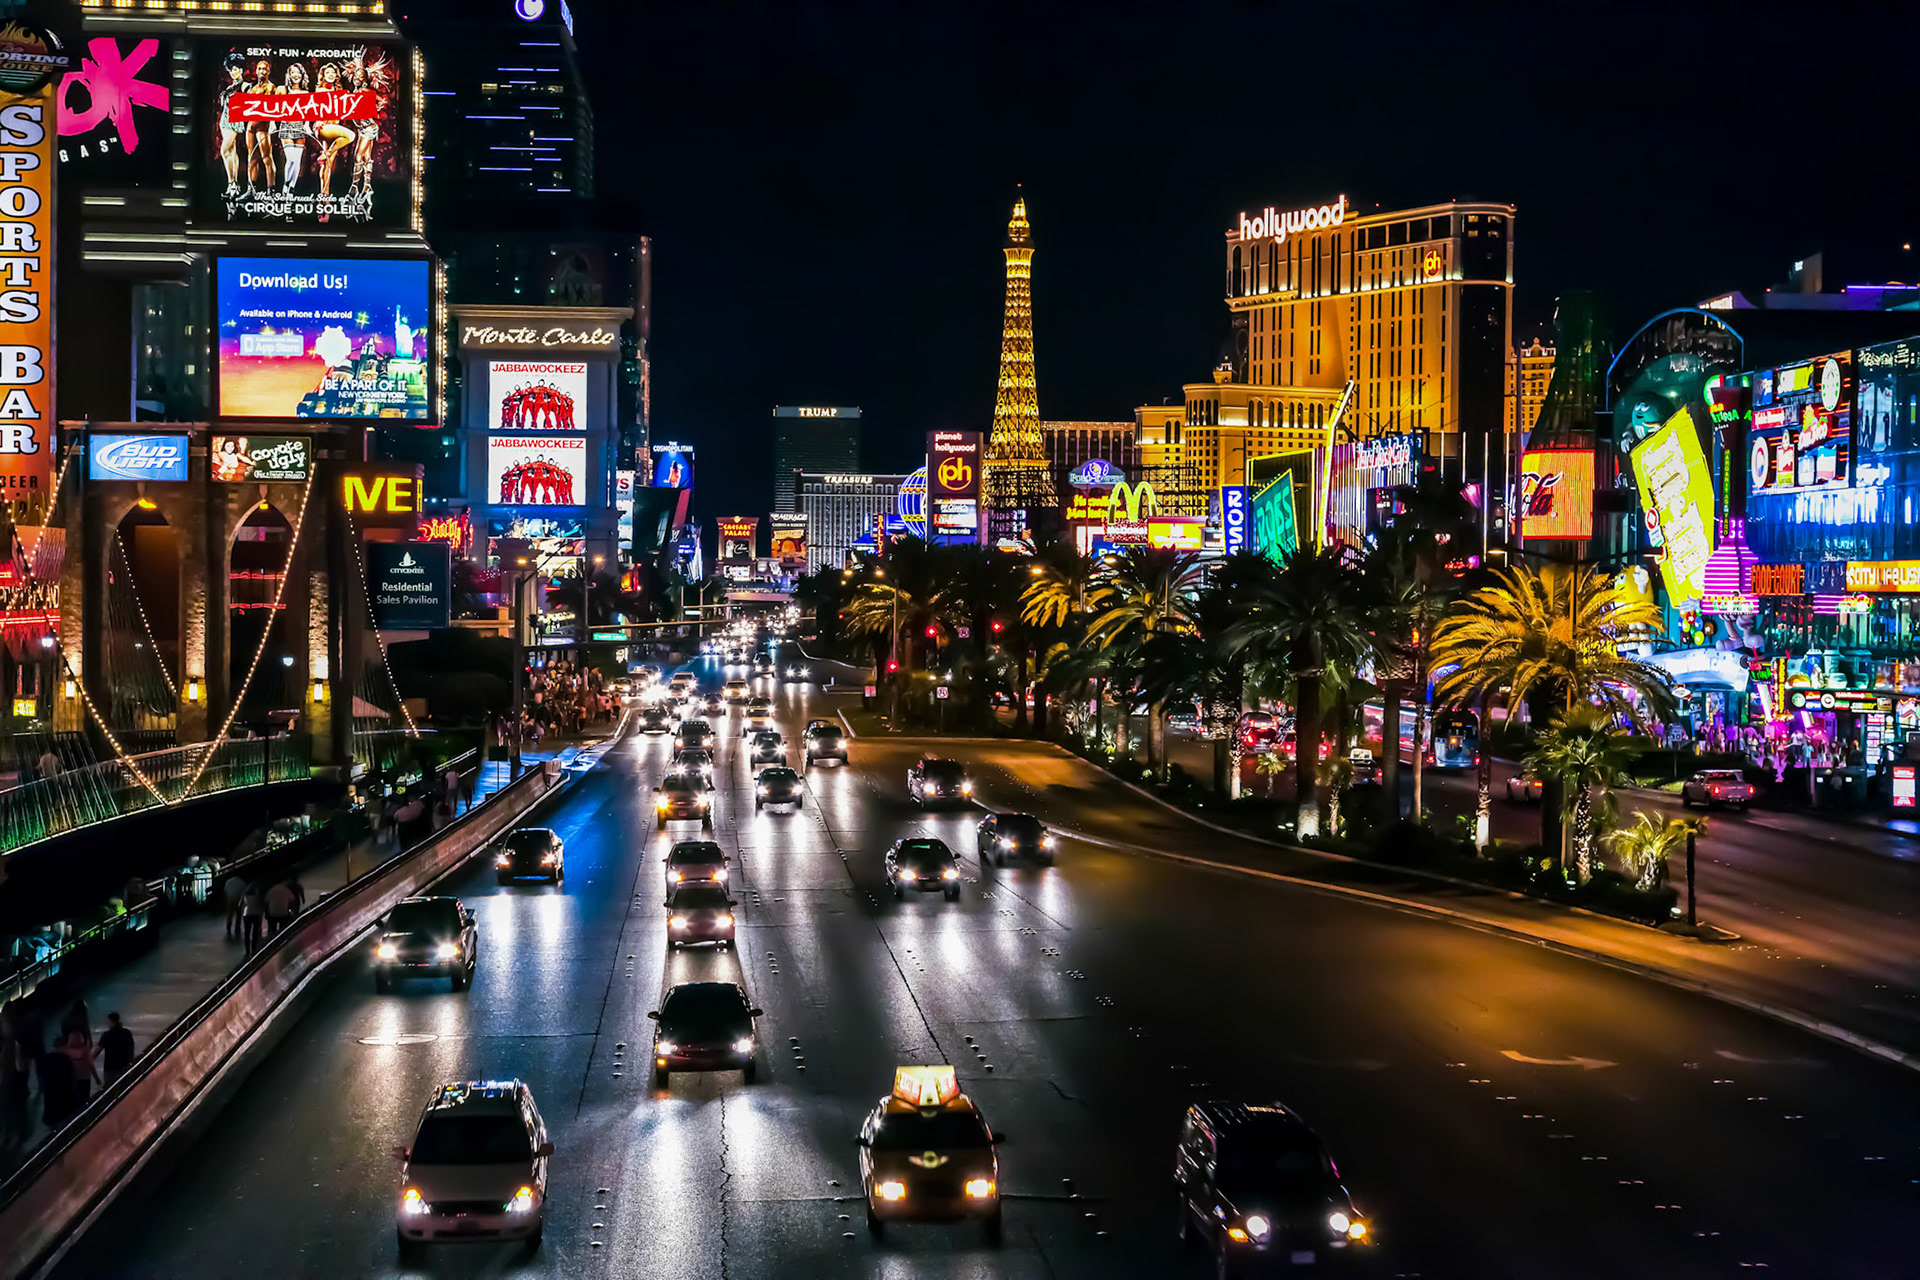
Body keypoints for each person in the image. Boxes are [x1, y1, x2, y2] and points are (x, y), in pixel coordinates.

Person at [60, 1029, 99, 1109]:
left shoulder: (66, 1051)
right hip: (84, 1078)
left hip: (71, 1079)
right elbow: (90, 1065)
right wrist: (96, 1078)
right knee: (84, 1100)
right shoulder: (84, 1050)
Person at [98, 1012, 134, 1086]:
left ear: (112, 1021)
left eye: (108, 1022)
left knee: (109, 1089)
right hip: (124, 1067)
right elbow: (131, 1049)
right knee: (124, 1087)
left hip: (110, 1069)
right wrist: (130, 1063)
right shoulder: (127, 1033)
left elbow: (97, 1051)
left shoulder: (106, 1035)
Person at [241, 880, 267, 955]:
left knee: (247, 932)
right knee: (255, 932)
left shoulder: (245, 896)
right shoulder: (257, 896)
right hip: (256, 914)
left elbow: (240, 905)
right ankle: (254, 948)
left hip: (247, 914)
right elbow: (261, 904)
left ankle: (247, 950)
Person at [224, 871, 247, 940]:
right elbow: (244, 891)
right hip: (238, 898)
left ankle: (228, 926)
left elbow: (225, 890)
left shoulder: (229, 882)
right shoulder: (241, 882)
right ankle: (237, 927)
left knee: (230, 913)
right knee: (239, 914)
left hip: (230, 898)